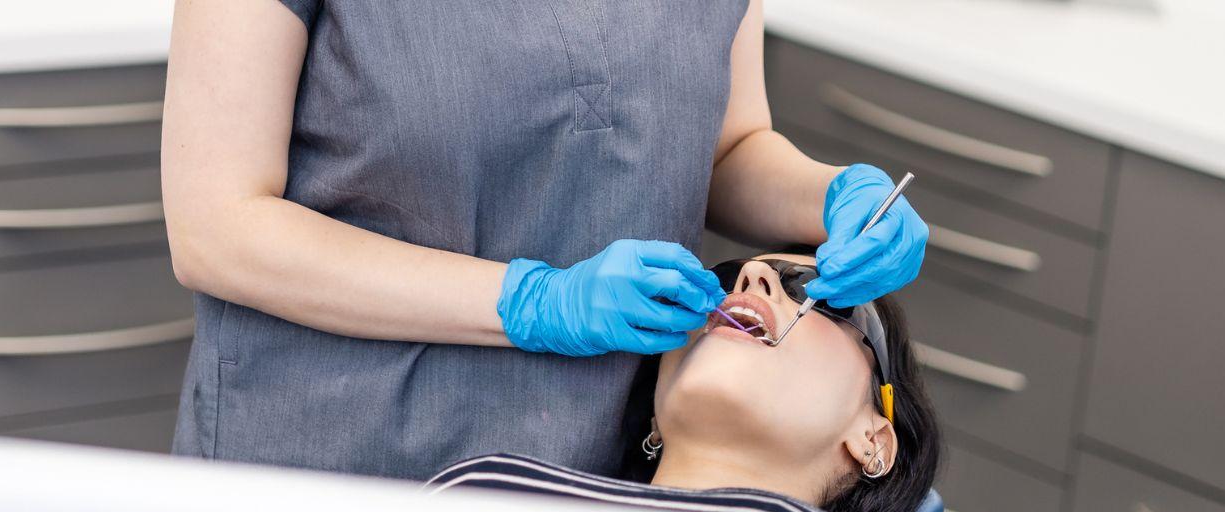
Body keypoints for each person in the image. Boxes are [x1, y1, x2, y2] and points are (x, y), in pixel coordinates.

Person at [160, 0, 931, 479]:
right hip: (326, 458)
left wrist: (829, 196)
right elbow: (218, 227)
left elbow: (724, 146)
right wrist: (533, 301)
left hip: (589, 454)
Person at [426, 254, 942, 512]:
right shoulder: (482, 487)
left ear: (874, 440)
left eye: (811, 290)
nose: (752, 277)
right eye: (723, 279)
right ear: (654, 412)